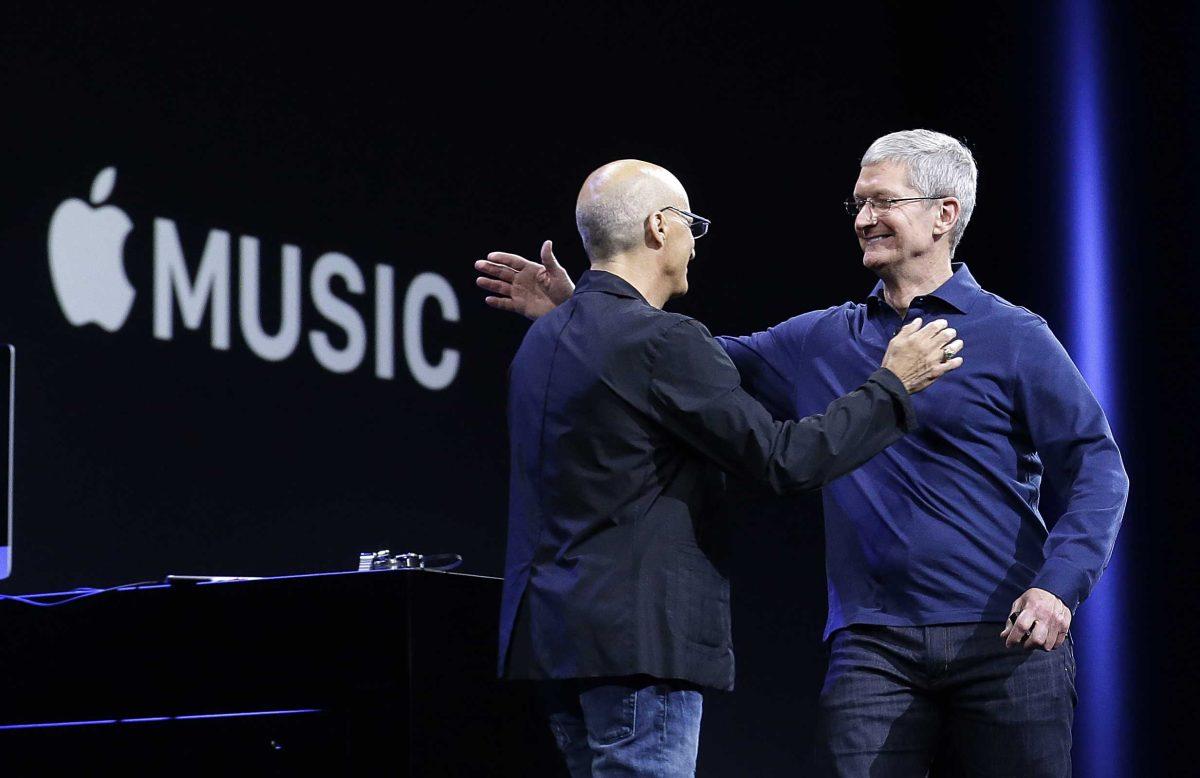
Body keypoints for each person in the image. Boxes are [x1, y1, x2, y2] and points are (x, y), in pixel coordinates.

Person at [476, 131, 1128, 776]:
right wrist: (587, 311)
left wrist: (1058, 588)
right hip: (873, 650)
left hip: (1005, 640)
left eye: (882, 202)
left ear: (944, 214)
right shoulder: (821, 339)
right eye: (857, 205)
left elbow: (1098, 470)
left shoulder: (1012, 336)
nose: (865, 219)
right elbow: (674, 366)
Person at [497, 158, 962, 777]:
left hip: (552, 645)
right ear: (660, 227)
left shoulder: (546, 339)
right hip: (637, 651)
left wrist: (572, 309)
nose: (695, 242)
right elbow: (784, 460)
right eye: (691, 224)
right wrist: (892, 387)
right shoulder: (662, 340)